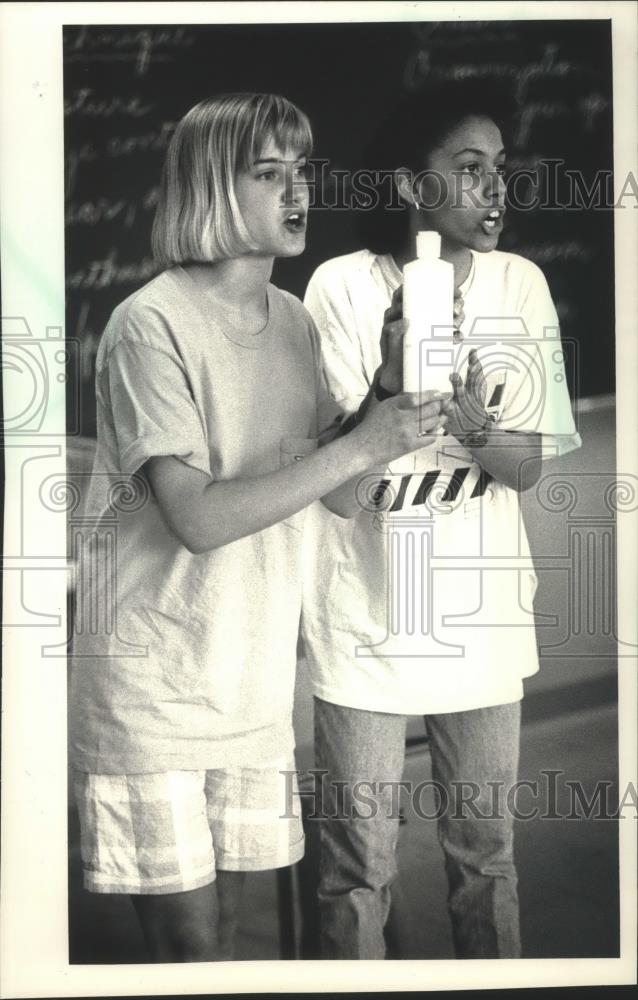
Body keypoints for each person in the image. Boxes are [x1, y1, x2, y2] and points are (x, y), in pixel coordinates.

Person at [68, 92, 448, 963]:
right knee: (191, 953)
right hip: (153, 690)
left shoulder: (295, 323)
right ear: (210, 186)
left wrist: (384, 400)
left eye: (302, 171)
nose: (298, 191)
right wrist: (368, 439)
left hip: (250, 685)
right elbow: (197, 518)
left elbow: (339, 491)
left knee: (233, 937)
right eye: (269, 174)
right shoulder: (148, 325)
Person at [301, 80, 582, 959]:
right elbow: (338, 490)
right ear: (408, 186)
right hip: (364, 618)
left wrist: (470, 420)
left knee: (485, 857)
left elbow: (525, 467)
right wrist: (387, 389)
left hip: (481, 617)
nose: (498, 190)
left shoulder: (520, 284)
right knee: (356, 867)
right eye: (470, 169)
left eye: (501, 169)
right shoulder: (340, 287)